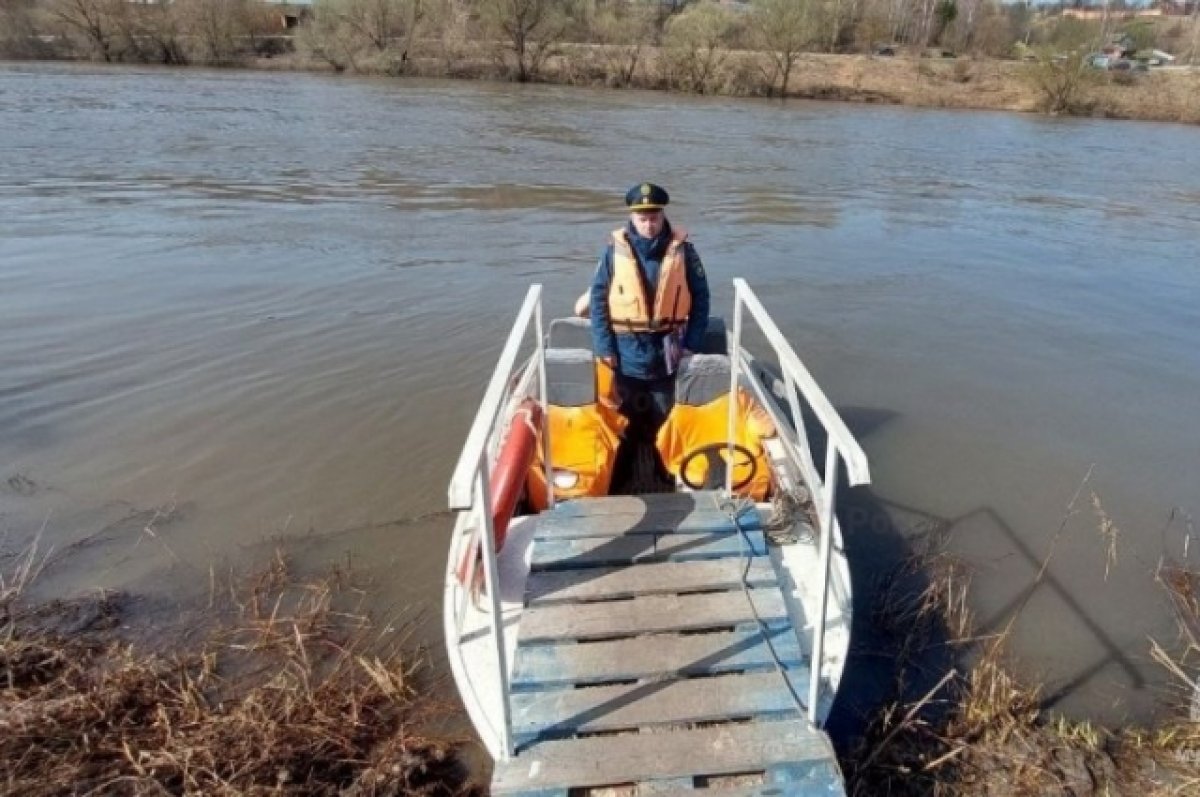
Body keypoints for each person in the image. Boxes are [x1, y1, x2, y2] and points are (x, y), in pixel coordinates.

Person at [589, 182, 710, 437]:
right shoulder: (613, 252)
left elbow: (701, 299)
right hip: (625, 349)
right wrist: (604, 348)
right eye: (642, 219)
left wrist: (692, 344)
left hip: (669, 347)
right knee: (623, 415)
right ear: (632, 217)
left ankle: (665, 465)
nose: (649, 225)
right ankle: (626, 460)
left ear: (662, 215)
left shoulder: (684, 252)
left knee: (665, 415)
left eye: (654, 218)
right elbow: (598, 301)